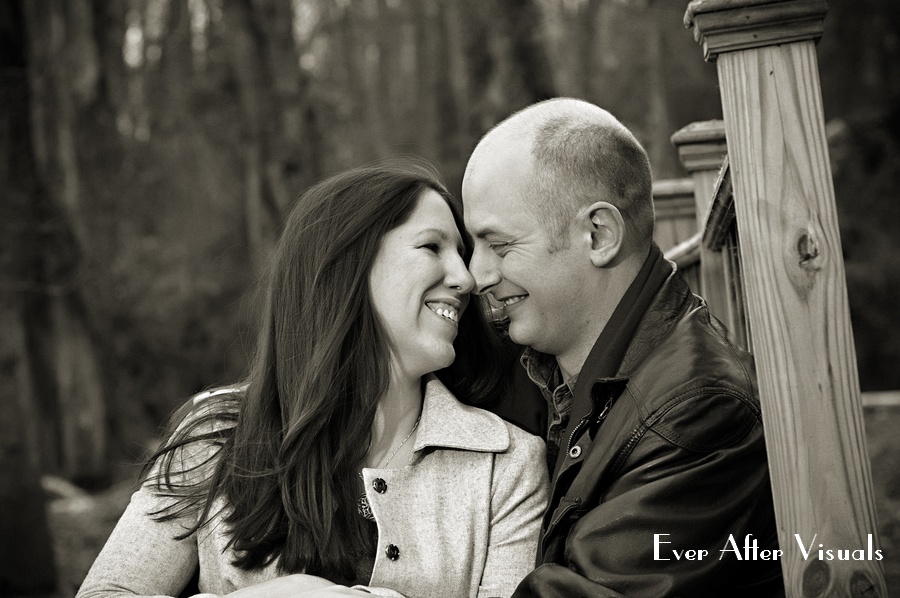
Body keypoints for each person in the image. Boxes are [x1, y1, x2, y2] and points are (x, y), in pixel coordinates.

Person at [76, 161, 549, 598]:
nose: (466, 278)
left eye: (461, 254)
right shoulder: (216, 436)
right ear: (347, 264)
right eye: (432, 247)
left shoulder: (505, 467)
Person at [461, 98, 784, 597]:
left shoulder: (699, 410)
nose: (475, 275)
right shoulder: (556, 366)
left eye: (499, 246)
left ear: (599, 234)